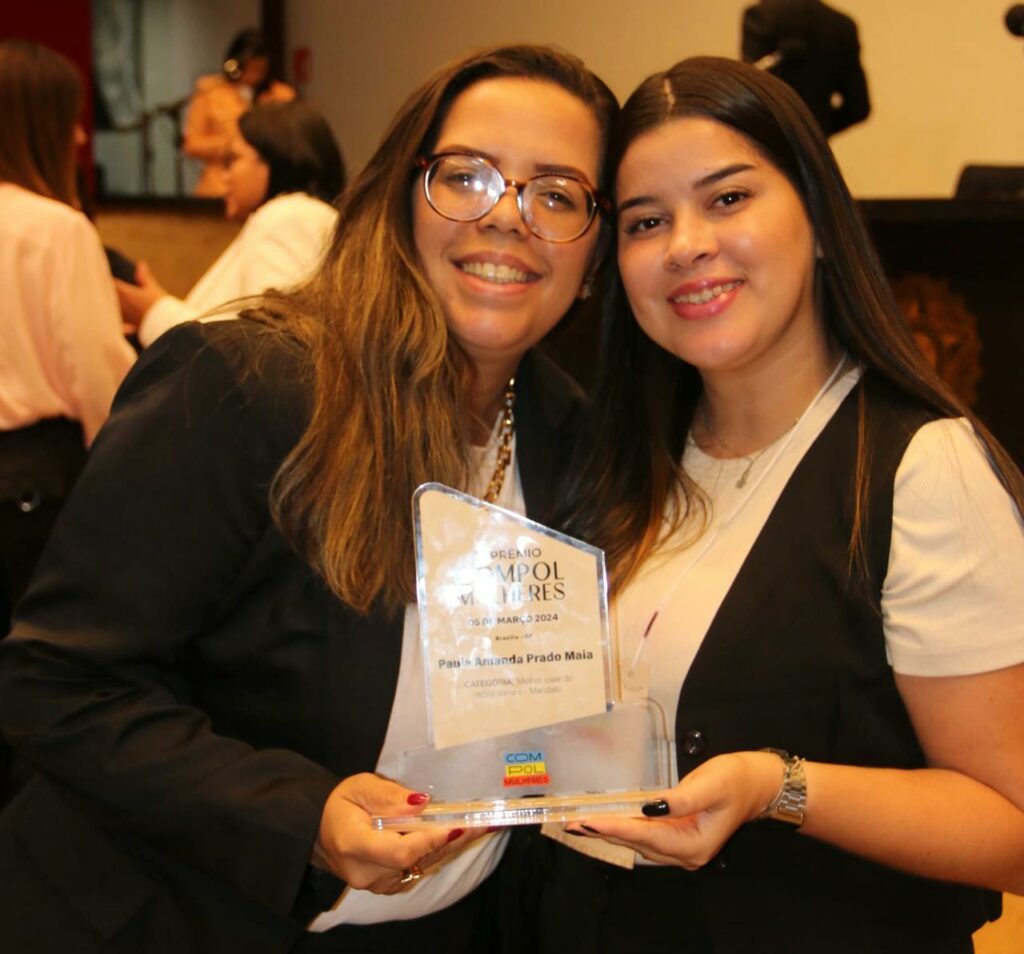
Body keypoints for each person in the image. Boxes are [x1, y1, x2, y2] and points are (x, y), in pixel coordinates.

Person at [0, 44, 616, 953]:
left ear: (596, 252)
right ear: (402, 196)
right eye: (468, 177)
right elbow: (54, 684)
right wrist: (303, 814)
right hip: (179, 917)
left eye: (557, 195)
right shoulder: (248, 386)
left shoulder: (574, 437)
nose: (508, 219)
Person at [518, 56, 1024, 953]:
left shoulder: (917, 468)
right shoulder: (611, 462)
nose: (684, 245)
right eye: (645, 221)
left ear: (822, 223)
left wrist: (776, 786)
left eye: (726, 199)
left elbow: (1013, 825)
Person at [0, 38, 136, 629]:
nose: (80, 138)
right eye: (71, 122)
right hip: (32, 486)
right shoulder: (57, 230)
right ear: (38, 126)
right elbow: (98, 376)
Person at [117, 100, 346, 348]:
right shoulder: (299, 217)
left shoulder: (289, 215)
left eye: (233, 160)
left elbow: (270, 345)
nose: (224, 176)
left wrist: (154, 312)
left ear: (277, 158)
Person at [184, 28, 296, 197]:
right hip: (218, 188)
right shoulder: (210, 91)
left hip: (269, 188)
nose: (252, 75)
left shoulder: (281, 95)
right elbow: (192, 144)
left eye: (259, 69)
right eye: (248, 67)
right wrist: (229, 146)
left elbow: (294, 142)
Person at [741, 0, 870, 137]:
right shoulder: (843, 25)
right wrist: (816, 129)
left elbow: (749, 91)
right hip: (813, 147)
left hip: (769, 139)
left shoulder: (761, 15)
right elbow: (859, 107)